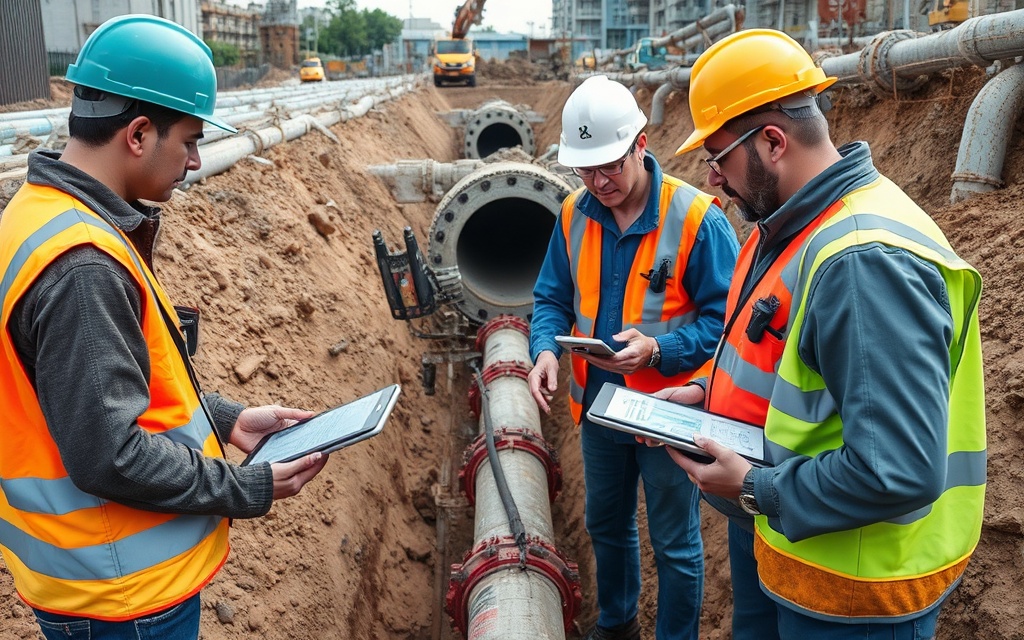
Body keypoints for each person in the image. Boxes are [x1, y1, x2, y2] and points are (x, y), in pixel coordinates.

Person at [0, 15, 329, 639]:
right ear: (139, 133)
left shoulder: (39, 214)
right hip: (122, 595)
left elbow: (103, 390)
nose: (197, 161)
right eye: (190, 141)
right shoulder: (82, 266)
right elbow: (109, 455)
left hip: (100, 583)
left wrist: (227, 420)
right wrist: (247, 485)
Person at [658, 28, 986, 640]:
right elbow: (786, 360)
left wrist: (753, 489)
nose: (713, 181)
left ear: (772, 142)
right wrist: (710, 390)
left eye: (719, 158)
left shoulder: (862, 263)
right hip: (792, 552)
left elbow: (898, 470)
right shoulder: (786, 227)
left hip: (856, 596)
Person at [528, 75, 740, 640]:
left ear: (641, 145)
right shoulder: (574, 214)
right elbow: (550, 297)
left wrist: (659, 350)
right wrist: (544, 349)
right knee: (605, 525)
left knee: (674, 543)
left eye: (611, 167)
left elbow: (729, 328)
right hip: (599, 410)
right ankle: (617, 623)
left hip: (668, 414)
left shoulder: (698, 220)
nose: (599, 182)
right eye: (586, 170)